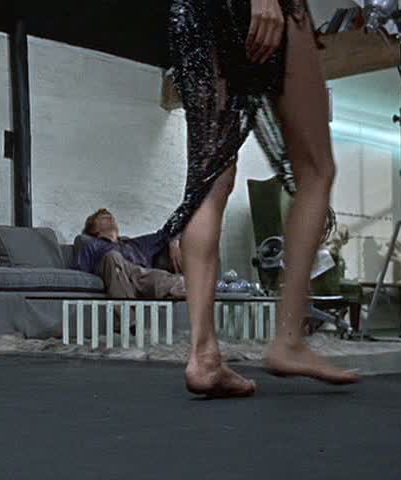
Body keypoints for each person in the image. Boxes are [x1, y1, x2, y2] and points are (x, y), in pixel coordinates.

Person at [156, 0, 360, 397]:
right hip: (256, 7)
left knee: (210, 179)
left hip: (194, 11)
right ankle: (289, 340)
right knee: (317, 171)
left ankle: (204, 355)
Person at [77, 208, 186, 300]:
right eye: (103, 218)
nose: (110, 218)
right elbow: (83, 271)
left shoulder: (134, 244)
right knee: (112, 257)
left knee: (155, 276)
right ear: (93, 230)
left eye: (111, 217)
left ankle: (181, 286)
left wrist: (174, 241)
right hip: (116, 277)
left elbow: (166, 232)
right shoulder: (91, 244)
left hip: (144, 281)